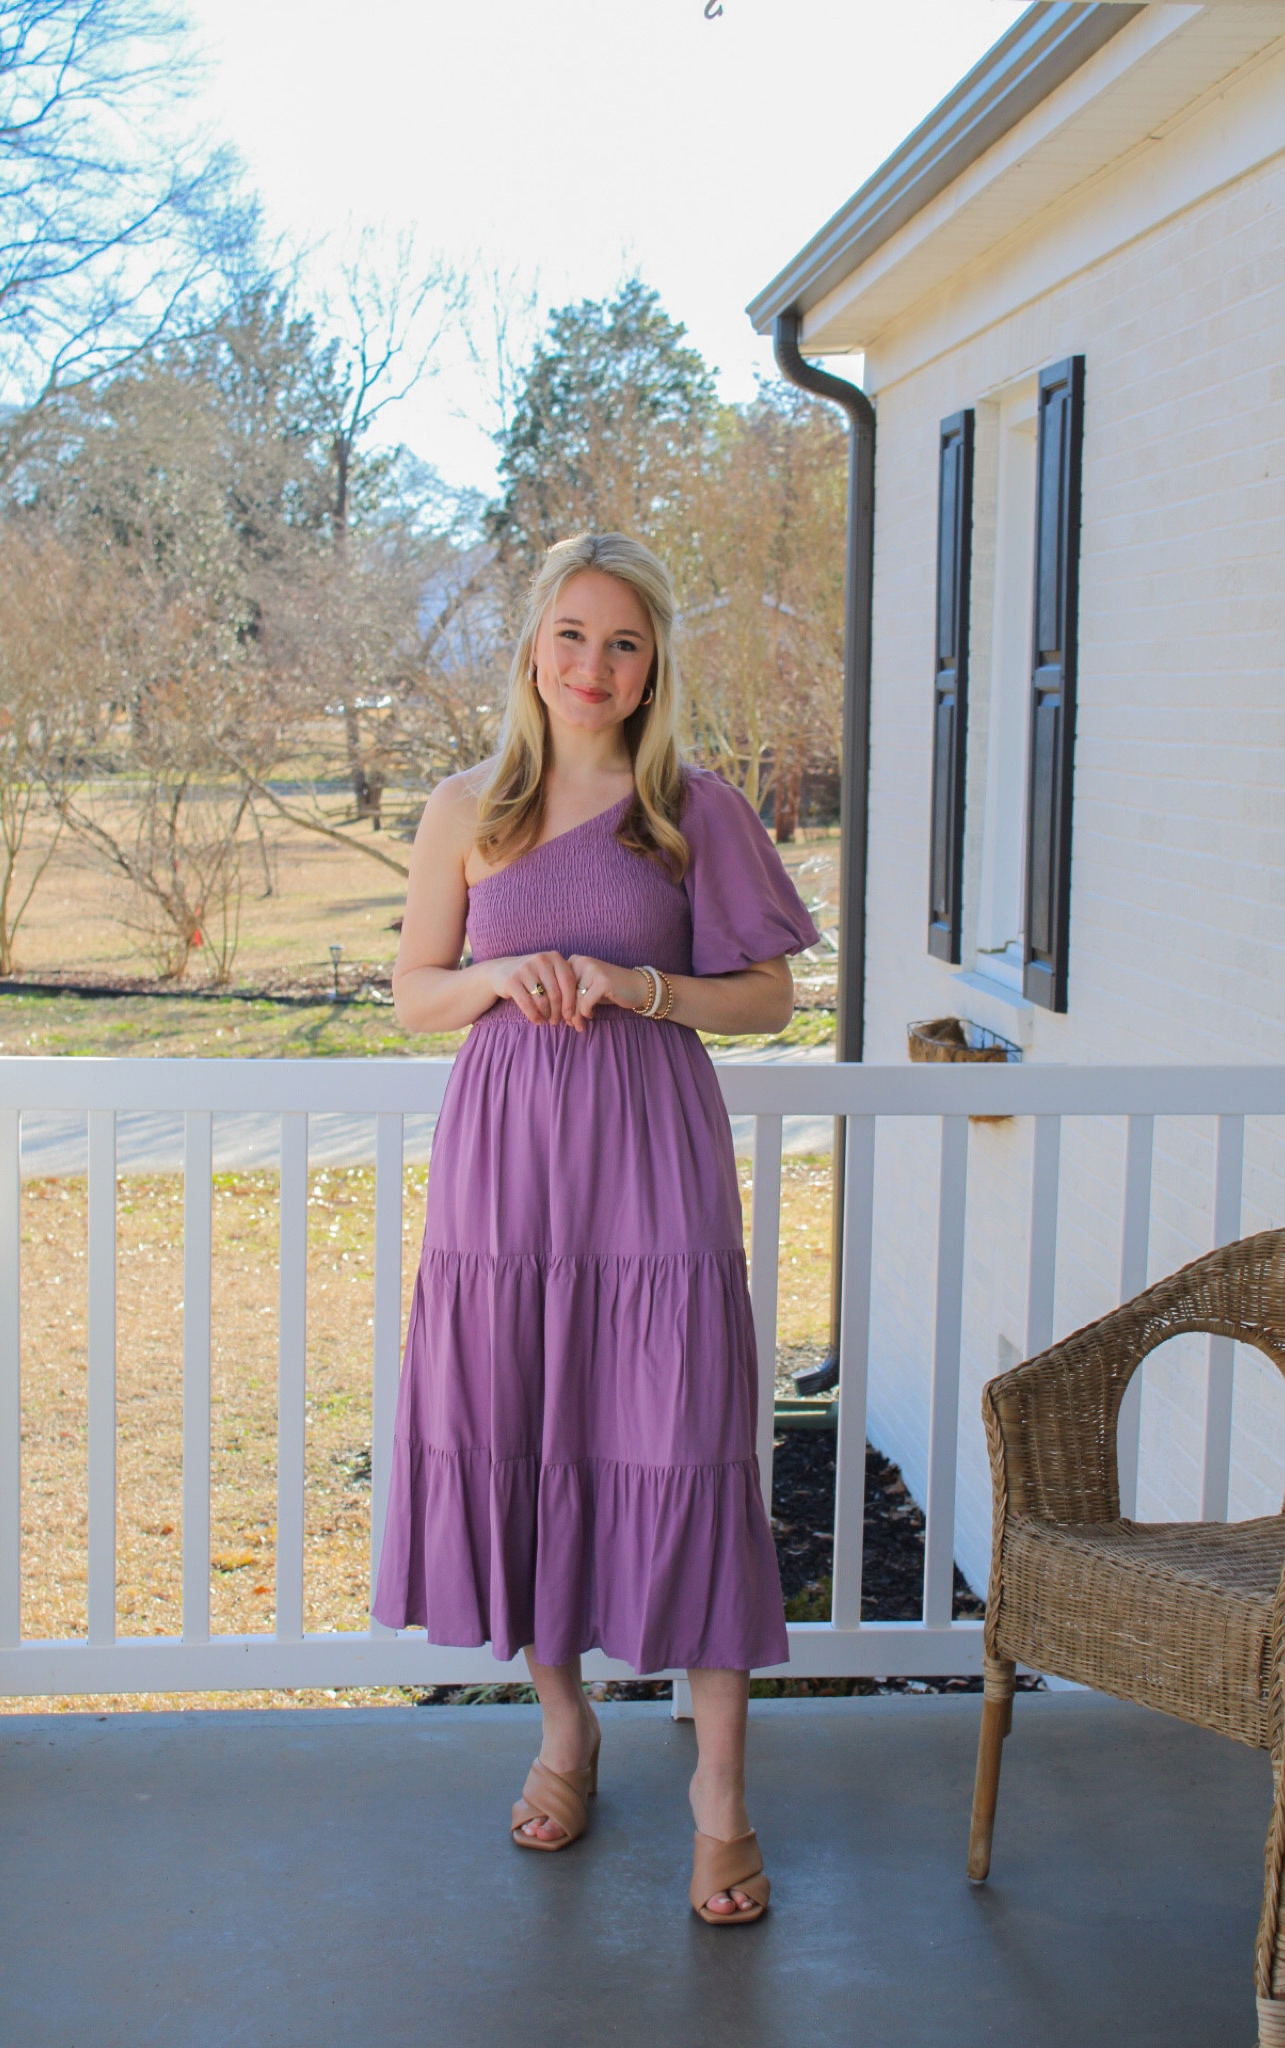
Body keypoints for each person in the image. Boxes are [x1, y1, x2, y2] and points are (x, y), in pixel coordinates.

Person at [373, 531, 819, 1924]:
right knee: (520, 1428)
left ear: (653, 665)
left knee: (677, 1443)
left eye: (621, 642)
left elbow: (766, 1000)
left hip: (649, 1159)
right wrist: (500, 969)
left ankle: (720, 1799)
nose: (592, 666)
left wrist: (642, 983)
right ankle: (563, 1727)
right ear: (530, 649)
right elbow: (413, 997)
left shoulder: (691, 808)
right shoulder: (467, 808)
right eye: (569, 635)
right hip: (506, 1174)